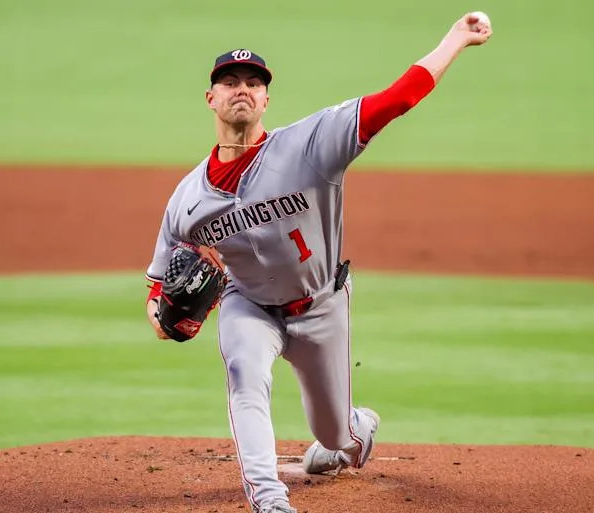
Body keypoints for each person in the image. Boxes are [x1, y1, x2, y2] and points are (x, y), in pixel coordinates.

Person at [143, 13, 492, 513]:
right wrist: (168, 323)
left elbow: (398, 99)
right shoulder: (187, 200)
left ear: (266, 99)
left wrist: (455, 38)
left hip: (321, 306)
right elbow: (156, 294)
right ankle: (270, 500)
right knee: (245, 374)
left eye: (254, 83)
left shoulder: (310, 145)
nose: (242, 88)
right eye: (229, 82)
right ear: (211, 98)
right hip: (249, 306)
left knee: (334, 432)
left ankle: (356, 431)